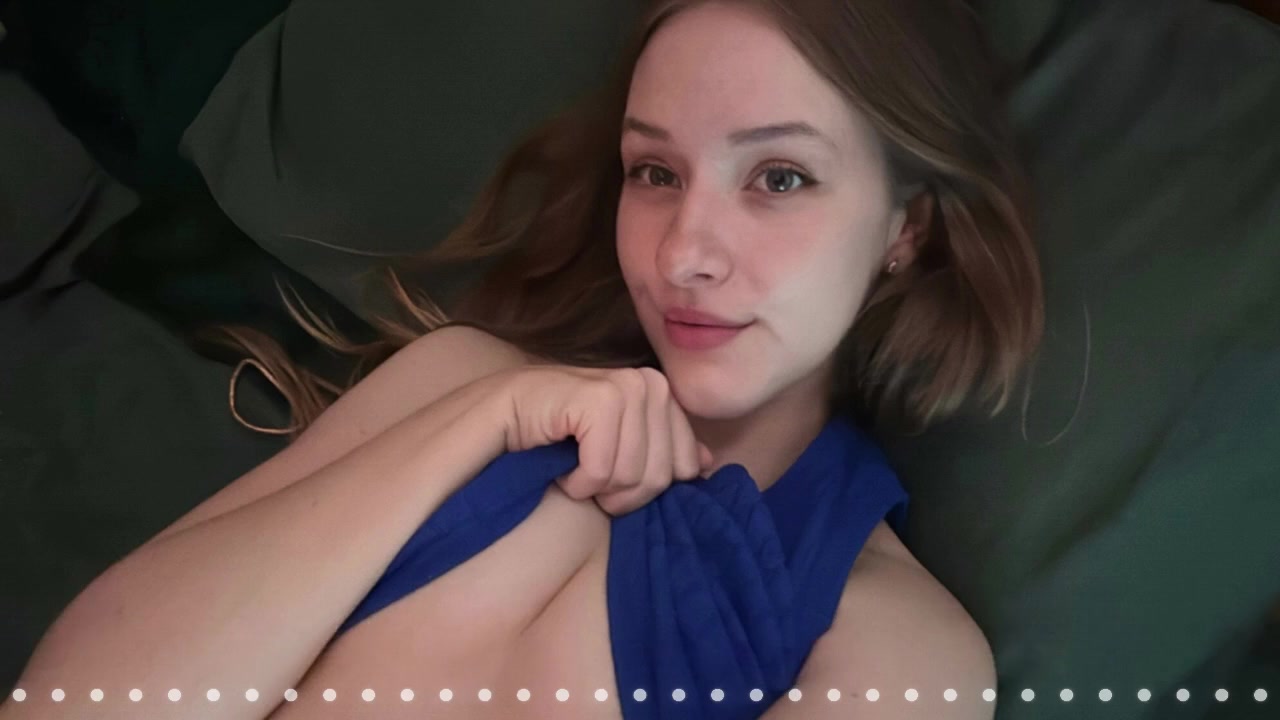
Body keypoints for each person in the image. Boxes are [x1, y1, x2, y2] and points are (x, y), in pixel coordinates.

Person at [2, 1, 1042, 718]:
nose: (683, 254)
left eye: (778, 178)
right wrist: (483, 417)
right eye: (654, 172)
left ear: (905, 226)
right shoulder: (464, 381)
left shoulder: (892, 645)